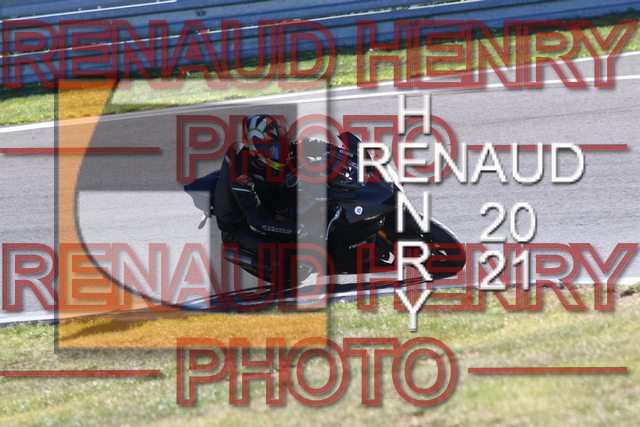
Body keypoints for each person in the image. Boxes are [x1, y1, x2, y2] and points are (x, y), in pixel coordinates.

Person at [213, 114, 316, 287]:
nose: (279, 152)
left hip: (268, 201)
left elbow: (297, 146)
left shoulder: (270, 155)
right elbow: (257, 221)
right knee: (291, 261)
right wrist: (297, 230)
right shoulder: (241, 174)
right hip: (241, 227)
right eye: (272, 147)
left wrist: (328, 149)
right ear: (256, 146)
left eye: (280, 145)